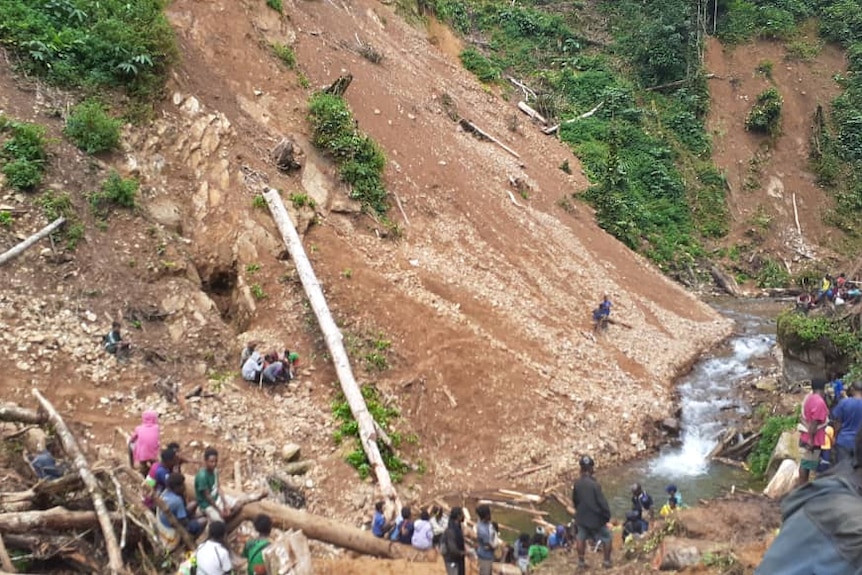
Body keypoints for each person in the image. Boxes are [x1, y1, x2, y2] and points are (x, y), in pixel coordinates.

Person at [755, 428, 862, 574]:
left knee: (808, 468)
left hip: (818, 447)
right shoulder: (854, 531)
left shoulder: (820, 491)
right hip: (817, 446)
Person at [572, 455, 612, 570]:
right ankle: (607, 561)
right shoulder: (595, 485)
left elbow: (575, 501)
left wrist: (579, 512)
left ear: (581, 469)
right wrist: (606, 516)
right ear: (591, 469)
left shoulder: (577, 484)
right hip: (595, 519)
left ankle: (581, 562)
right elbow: (602, 503)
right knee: (607, 536)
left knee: (580, 537)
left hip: (582, 518)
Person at [157, 472, 206, 550]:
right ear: (176, 487)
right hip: (173, 530)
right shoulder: (177, 501)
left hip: (166, 521)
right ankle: (190, 540)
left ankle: (194, 518)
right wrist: (194, 519)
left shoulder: (165, 493)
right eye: (182, 485)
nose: (184, 486)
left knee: (194, 503)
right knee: (203, 520)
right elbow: (184, 522)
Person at [797, 379, 830, 487]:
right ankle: (803, 487)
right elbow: (814, 424)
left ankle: (803, 486)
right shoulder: (819, 402)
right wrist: (811, 440)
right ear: (823, 388)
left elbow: (802, 418)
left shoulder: (809, 398)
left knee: (805, 464)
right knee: (807, 464)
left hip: (806, 436)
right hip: (813, 439)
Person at [195, 447, 236, 522]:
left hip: (216, 498)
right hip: (207, 504)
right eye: (211, 462)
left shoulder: (215, 471)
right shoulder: (202, 476)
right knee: (220, 522)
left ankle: (228, 519)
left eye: (216, 461)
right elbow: (208, 497)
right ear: (206, 461)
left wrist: (225, 503)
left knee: (238, 505)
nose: (214, 464)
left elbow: (218, 487)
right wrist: (219, 511)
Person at [832, 381, 862, 464]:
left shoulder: (844, 403)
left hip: (844, 441)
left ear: (852, 390)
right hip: (859, 443)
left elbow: (837, 422)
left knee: (842, 468)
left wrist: (834, 436)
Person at [129, 410, 160, 477]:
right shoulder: (156, 428)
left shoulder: (139, 428)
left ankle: (141, 472)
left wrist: (132, 436)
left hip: (143, 453)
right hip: (153, 452)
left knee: (132, 445)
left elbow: (133, 438)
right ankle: (153, 473)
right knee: (154, 464)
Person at [441, 506, 467, 575]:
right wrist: (463, 553)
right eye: (462, 514)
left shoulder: (457, 527)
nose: (463, 516)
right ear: (458, 516)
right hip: (452, 560)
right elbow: (452, 549)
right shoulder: (451, 530)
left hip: (458, 560)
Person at [475, 504, 495, 575]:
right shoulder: (482, 530)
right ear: (486, 515)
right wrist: (495, 547)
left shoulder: (486, 524)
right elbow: (488, 544)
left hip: (488, 555)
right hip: (485, 556)